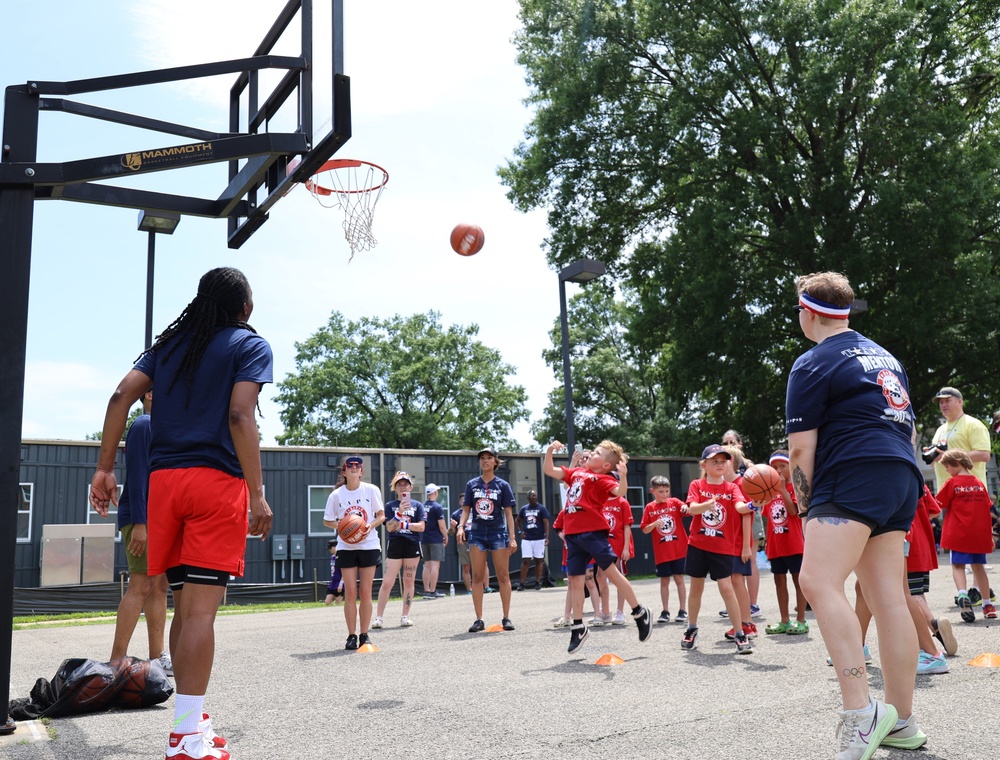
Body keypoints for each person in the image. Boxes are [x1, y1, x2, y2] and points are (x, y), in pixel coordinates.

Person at [90, 266, 273, 760]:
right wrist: (257, 492)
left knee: (181, 603)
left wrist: (104, 468)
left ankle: (191, 719)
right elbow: (240, 415)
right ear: (245, 308)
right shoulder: (249, 345)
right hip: (214, 483)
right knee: (199, 611)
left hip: (164, 487)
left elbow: (119, 396)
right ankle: (186, 739)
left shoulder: (170, 345)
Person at [787, 271, 925, 757]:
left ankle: (860, 713)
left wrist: (807, 509)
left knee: (818, 582)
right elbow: (907, 428)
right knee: (888, 597)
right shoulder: (886, 357)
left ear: (808, 312)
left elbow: (802, 448)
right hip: (901, 474)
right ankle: (901, 721)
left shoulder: (812, 363)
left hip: (854, 473)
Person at [543, 439, 652, 654]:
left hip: (593, 534)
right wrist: (548, 452)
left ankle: (639, 612)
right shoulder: (575, 473)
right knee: (575, 580)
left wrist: (623, 476)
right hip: (573, 536)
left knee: (612, 573)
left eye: (598, 452)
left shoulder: (601, 479)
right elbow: (549, 470)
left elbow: (620, 492)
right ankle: (578, 627)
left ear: (605, 465)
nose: (592, 452)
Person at [104, 389, 172, 673]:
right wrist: (141, 525)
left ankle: (158, 658)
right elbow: (138, 476)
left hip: (159, 518)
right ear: (149, 394)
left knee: (159, 586)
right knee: (141, 585)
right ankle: (116, 661)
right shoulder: (144, 425)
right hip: (141, 518)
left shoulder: (165, 429)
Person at [680, 444, 753, 655]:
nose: (720, 464)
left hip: (722, 547)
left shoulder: (732, 488)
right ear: (704, 464)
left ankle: (740, 633)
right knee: (696, 588)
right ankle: (692, 628)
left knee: (727, 589)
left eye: (723, 461)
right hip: (698, 545)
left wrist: (752, 505)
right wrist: (707, 504)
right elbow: (692, 508)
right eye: (715, 461)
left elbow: (740, 507)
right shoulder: (697, 484)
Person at [323, 455, 384, 650]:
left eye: (358, 465)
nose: (354, 468)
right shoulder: (336, 495)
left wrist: (367, 526)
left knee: (365, 592)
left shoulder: (371, 490)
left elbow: (381, 516)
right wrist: (342, 526)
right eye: (350, 465)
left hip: (369, 544)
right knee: (350, 592)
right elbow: (327, 520)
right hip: (347, 547)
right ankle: (351, 635)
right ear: (344, 471)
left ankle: (364, 635)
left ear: (362, 471)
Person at [457, 447, 517, 632]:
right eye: (482, 458)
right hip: (477, 533)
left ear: (495, 462)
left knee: (503, 576)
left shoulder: (503, 485)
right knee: (477, 576)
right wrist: (461, 527)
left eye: (489, 458)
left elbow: (508, 513)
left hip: (497, 533)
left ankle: (506, 617)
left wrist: (512, 538)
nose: (485, 461)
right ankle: (479, 619)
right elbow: (466, 509)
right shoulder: (472, 485)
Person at [935, 449, 997, 622]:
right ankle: (987, 605)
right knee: (979, 568)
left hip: (959, 534)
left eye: (947, 466)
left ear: (956, 463)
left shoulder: (952, 483)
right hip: (978, 534)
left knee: (958, 566)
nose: (947, 470)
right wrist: (989, 535)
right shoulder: (979, 483)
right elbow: (987, 511)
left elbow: (937, 506)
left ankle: (963, 595)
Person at [760, 451, 807, 636]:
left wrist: (782, 490)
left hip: (794, 543)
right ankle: (784, 619)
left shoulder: (795, 487)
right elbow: (768, 516)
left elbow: (793, 511)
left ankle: (801, 620)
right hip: (776, 543)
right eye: (774, 467)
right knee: (779, 580)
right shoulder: (769, 490)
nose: (778, 470)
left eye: (782, 466)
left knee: (798, 580)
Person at [373, 472, 426, 628]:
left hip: (412, 545)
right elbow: (389, 527)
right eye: (399, 484)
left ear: (411, 487)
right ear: (395, 487)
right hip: (396, 545)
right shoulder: (390, 506)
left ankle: (405, 616)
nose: (403, 486)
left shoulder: (418, 505)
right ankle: (379, 618)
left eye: (405, 484)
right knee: (388, 581)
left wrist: (403, 525)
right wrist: (399, 513)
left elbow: (421, 527)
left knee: (409, 580)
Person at [639, 475, 688, 624]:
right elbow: (645, 530)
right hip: (662, 552)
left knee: (679, 578)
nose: (665, 494)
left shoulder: (674, 502)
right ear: (652, 491)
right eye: (661, 491)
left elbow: (687, 509)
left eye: (667, 491)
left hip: (679, 549)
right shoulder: (650, 508)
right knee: (664, 580)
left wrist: (686, 506)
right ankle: (665, 611)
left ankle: (682, 610)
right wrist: (654, 524)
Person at [925, 387, 991, 487]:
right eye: (941, 402)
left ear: (960, 402)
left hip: (970, 492)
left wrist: (950, 457)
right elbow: (935, 465)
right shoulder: (939, 430)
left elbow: (984, 455)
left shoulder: (973, 424)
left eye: (947, 401)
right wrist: (932, 457)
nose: (943, 405)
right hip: (944, 494)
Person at [515, 490, 551, 591]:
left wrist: (547, 537)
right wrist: (519, 532)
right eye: (532, 495)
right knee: (526, 560)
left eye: (535, 495)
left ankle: (537, 582)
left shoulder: (541, 508)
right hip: (527, 539)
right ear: (528, 497)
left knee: (539, 560)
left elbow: (546, 524)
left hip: (539, 538)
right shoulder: (524, 509)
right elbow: (517, 520)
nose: (534, 497)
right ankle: (522, 583)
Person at [420, 484, 448, 599]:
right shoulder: (437, 507)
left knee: (427, 565)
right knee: (435, 564)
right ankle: (432, 591)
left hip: (424, 538)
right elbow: (441, 525)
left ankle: (426, 590)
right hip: (435, 538)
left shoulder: (421, 506)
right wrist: (446, 535)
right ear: (434, 493)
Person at [450, 501, 475, 595]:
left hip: (476, 541)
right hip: (463, 542)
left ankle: (486, 587)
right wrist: (452, 527)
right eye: (462, 500)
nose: (465, 501)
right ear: (459, 502)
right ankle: (469, 589)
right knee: (466, 567)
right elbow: (451, 532)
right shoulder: (456, 514)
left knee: (482, 565)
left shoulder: (475, 511)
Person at [324, 539, 344, 606]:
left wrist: (341, 584)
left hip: (339, 582)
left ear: (335, 547)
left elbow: (344, 572)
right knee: (327, 602)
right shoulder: (332, 557)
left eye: (331, 548)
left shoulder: (341, 558)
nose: (329, 550)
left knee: (338, 603)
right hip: (333, 582)